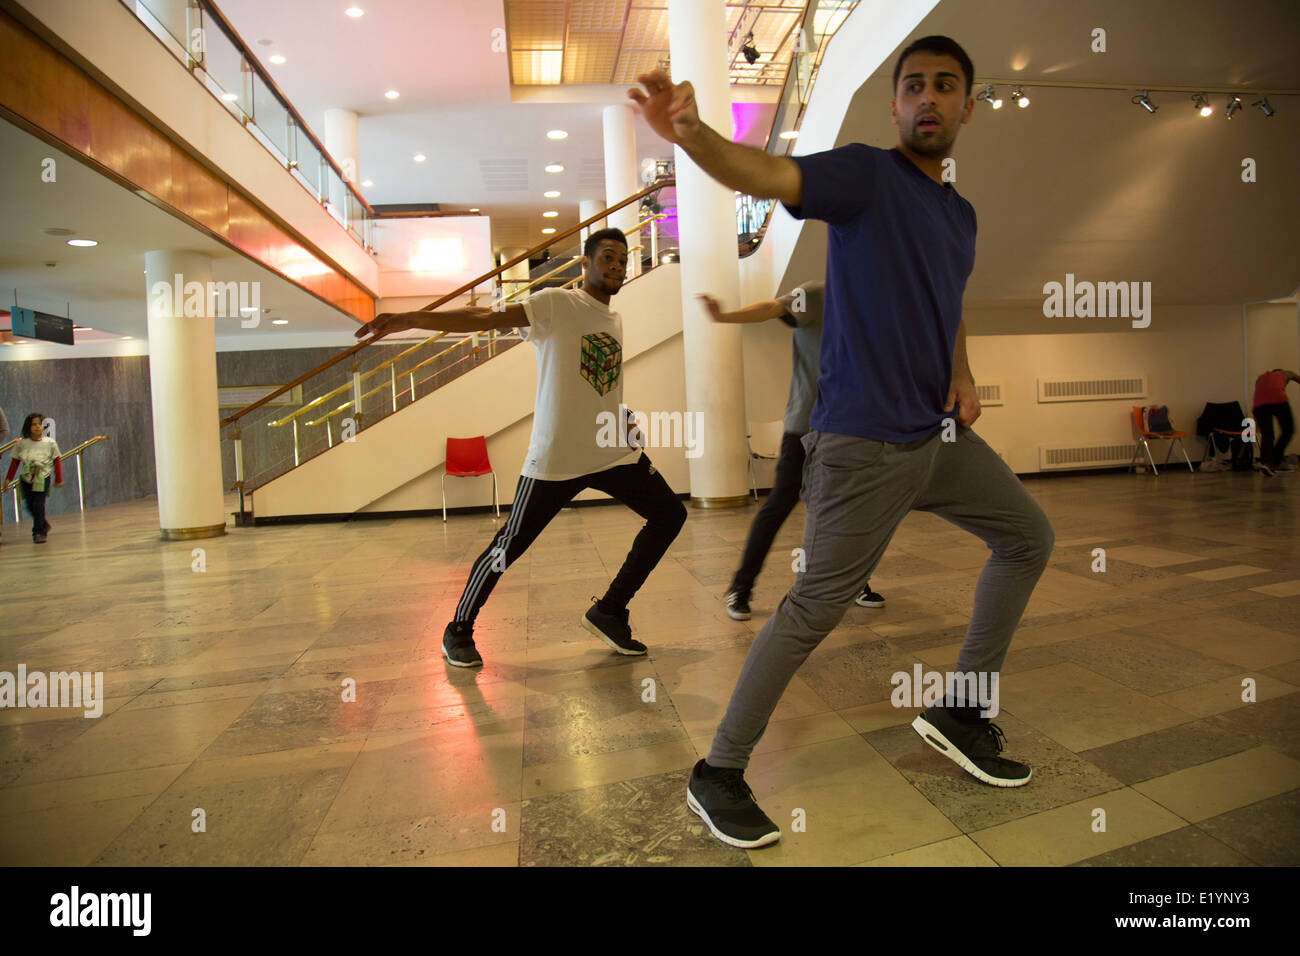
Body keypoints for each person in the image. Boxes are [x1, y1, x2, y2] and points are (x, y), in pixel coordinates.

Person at [631, 34, 1055, 848]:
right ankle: (717, 771)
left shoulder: (958, 213)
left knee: (1028, 537)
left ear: (968, 106)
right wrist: (690, 134)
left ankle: (963, 709)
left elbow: (951, 303)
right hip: (863, 445)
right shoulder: (865, 176)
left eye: (945, 87)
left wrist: (962, 376)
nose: (928, 98)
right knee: (813, 607)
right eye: (914, 87)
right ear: (894, 105)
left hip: (937, 438)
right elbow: (765, 173)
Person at [355, 228, 687, 666]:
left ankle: (609, 611)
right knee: (508, 545)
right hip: (556, 457)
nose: (617, 265)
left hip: (611, 449)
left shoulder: (614, 319)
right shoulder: (556, 304)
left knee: (670, 514)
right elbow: (482, 320)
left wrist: (620, 414)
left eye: (623, 259)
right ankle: (458, 629)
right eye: (608, 257)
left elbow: (598, 381)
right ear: (585, 264)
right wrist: (412, 318)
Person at [699, 284, 885, 619]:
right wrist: (725, 317)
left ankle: (856, 581)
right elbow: (771, 307)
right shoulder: (817, 295)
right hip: (804, 426)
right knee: (779, 506)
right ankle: (741, 587)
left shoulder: (873, 302)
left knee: (851, 509)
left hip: (849, 428)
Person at [5, 413, 63, 544]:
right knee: (30, 505)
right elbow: (15, 463)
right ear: (28, 427)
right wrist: (8, 479)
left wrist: (58, 478)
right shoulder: (22, 444)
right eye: (34, 424)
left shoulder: (50, 443)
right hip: (26, 478)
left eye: (40, 424)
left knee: (38, 504)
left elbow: (57, 460)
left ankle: (38, 532)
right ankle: (43, 524)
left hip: (42, 477)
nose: (37, 427)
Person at [1250, 367, 1298, 477]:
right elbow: (1298, 378)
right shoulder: (1286, 373)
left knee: (1267, 435)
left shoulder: (1260, 379)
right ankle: (1276, 461)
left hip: (1259, 405)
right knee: (1288, 430)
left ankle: (1266, 463)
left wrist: (1257, 424)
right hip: (1277, 398)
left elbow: (1258, 397)